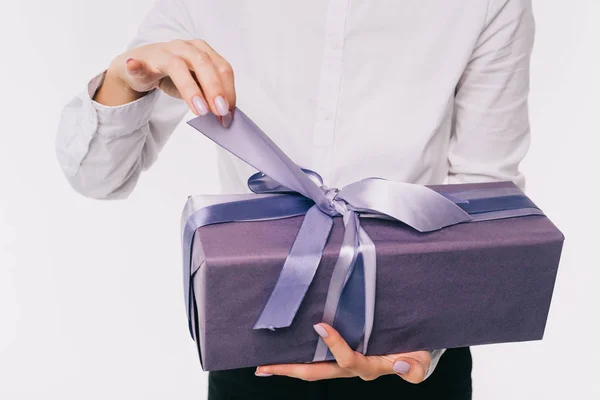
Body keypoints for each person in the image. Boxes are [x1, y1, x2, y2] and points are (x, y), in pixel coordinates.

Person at [55, 1, 535, 398]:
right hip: (253, 336)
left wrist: (421, 347)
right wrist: (123, 80)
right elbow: (100, 178)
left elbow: (484, 189)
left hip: (416, 346)